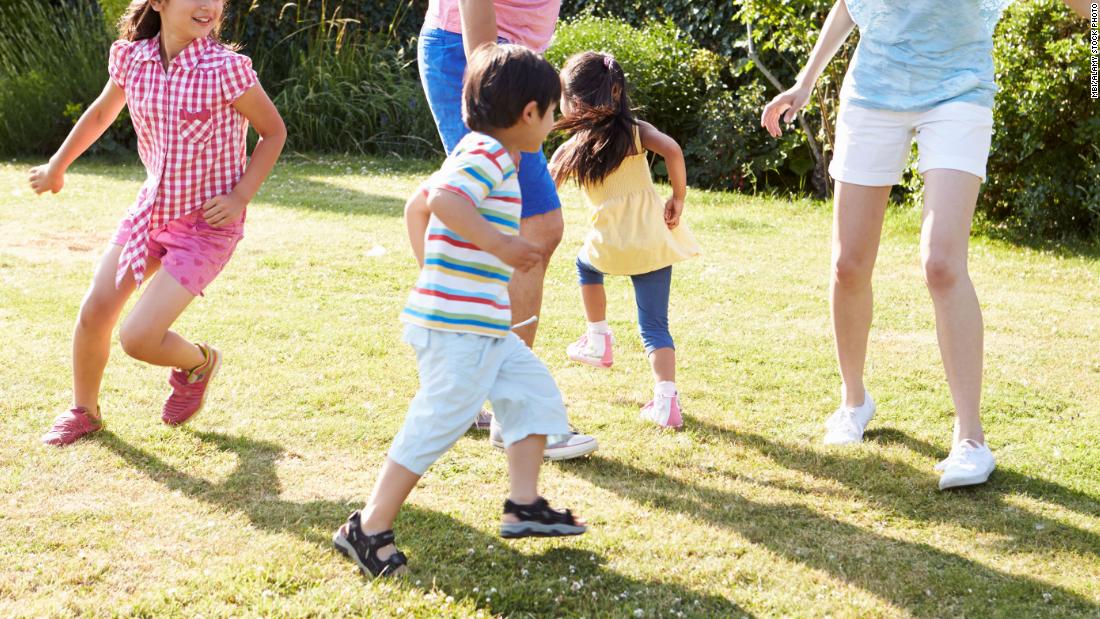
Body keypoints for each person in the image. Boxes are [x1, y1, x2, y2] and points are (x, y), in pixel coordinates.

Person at [760, 0, 1093, 489]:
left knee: (941, 262)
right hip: (872, 93)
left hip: (959, 92)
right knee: (848, 264)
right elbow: (851, 4)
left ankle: (971, 439)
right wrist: (805, 82)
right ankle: (854, 402)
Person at [333, 44, 587, 579]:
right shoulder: (488, 154)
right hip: (457, 327)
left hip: (482, 323)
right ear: (528, 114)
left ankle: (524, 505)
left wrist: (433, 271)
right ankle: (369, 526)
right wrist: (500, 247)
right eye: (551, 112)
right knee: (440, 419)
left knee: (533, 393)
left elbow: (417, 204)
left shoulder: (480, 150)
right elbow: (445, 202)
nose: (553, 123)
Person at [31, 0, 285, 446]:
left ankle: (198, 363)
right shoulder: (132, 58)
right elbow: (100, 115)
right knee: (95, 312)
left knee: (138, 338)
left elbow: (273, 131)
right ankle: (84, 411)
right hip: (150, 214)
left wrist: (240, 195)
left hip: (206, 228)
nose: (209, 6)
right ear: (159, 2)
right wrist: (57, 166)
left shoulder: (226, 69)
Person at [415, 0, 598, 459]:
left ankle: (472, 385)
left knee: (522, 229)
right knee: (534, 229)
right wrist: (502, 120)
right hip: (478, 63)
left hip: (510, 68)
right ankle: (515, 411)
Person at [551, 52, 700, 430]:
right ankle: (667, 401)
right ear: (617, 91)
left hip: (609, 247)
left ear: (573, 102)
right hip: (652, 242)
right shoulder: (637, 132)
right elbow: (673, 150)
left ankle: (598, 338)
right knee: (654, 326)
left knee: (584, 265)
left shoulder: (573, 148)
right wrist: (677, 197)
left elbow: (547, 185)